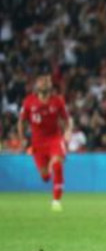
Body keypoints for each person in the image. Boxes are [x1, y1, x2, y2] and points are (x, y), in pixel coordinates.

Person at [18, 74, 72, 211]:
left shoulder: (58, 101)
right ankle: (48, 171)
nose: (44, 84)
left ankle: (56, 200)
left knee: (58, 165)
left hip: (55, 138)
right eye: (41, 82)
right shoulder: (29, 101)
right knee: (45, 177)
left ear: (50, 85)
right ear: (37, 86)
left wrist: (68, 131)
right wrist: (22, 138)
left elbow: (67, 120)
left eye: (47, 82)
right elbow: (21, 121)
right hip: (37, 143)